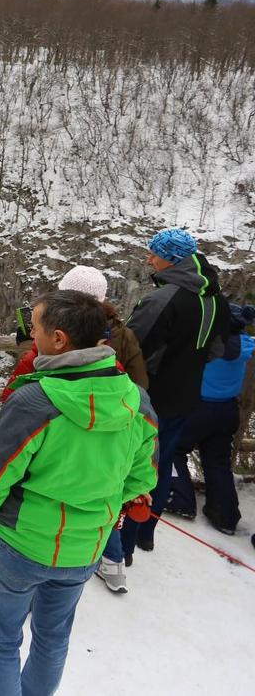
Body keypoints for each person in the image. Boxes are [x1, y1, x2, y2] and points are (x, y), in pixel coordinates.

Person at [0, 290, 159, 696]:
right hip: (85, 547)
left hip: (20, 543)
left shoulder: (36, 401)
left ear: (58, 339)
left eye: (34, 327)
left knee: (2, 641)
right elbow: (143, 479)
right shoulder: (137, 404)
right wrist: (103, 510)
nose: (29, 333)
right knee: (52, 639)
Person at [119, 228, 229, 561]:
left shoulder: (162, 299)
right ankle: (146, 534)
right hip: (187, 395)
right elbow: (216, 350)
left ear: (172, 259)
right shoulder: (214, 300)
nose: (149, 258)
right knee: (161, 463)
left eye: (155, 253)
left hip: (150, 395)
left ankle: (121, 543)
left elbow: (131, 347)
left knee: (133, 464)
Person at [163, 304, 255, 534]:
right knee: (218, 461)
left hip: (198, 407)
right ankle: (225, 515)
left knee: (173, 448)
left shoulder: (211, 344)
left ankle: (181, 499)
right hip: (227, 410)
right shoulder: (245, 345)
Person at [1, 265, 148, 402]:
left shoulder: (53, 334)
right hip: (109, 415)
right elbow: (139, 384)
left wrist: (28, 343)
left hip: (54, 416)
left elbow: (16, 392)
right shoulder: (121, 333)